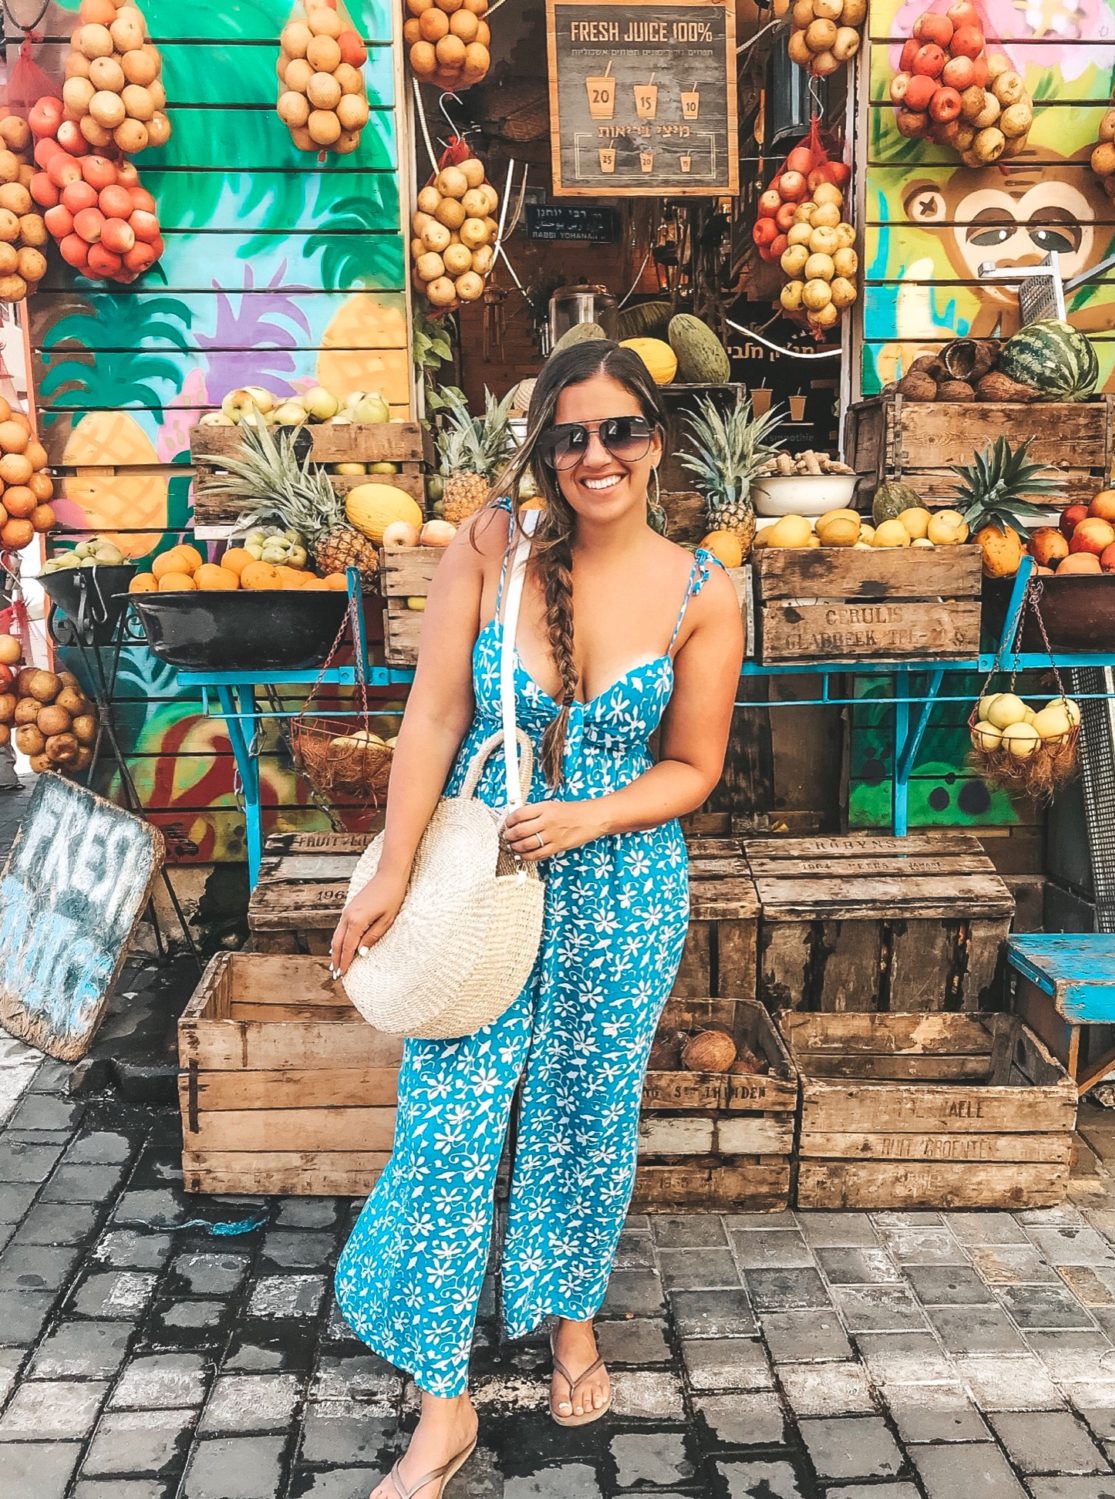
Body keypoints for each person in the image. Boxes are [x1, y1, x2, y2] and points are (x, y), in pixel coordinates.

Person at [329, 340, 743, 1499]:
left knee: (582, 1117)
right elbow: (430, 718)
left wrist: (592, 816)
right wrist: (388, 873)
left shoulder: (707, 587)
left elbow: (695, 766)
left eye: (620, 430)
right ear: (545, 449)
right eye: (571, 435)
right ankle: (443, 1401)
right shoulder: (489, 547)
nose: (596, 455)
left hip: (621, 892)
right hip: (476, 891)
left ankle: (568, 1320)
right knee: (448, 1125)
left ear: (657, 439)